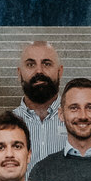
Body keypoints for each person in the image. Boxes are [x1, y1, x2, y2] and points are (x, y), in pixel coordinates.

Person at [11, 38, 68, 167]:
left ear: (60, 71)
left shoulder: (78, 121)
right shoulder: (6, 124)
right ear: (19, 73)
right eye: (30, 65)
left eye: (46, 64)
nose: (39, 71)